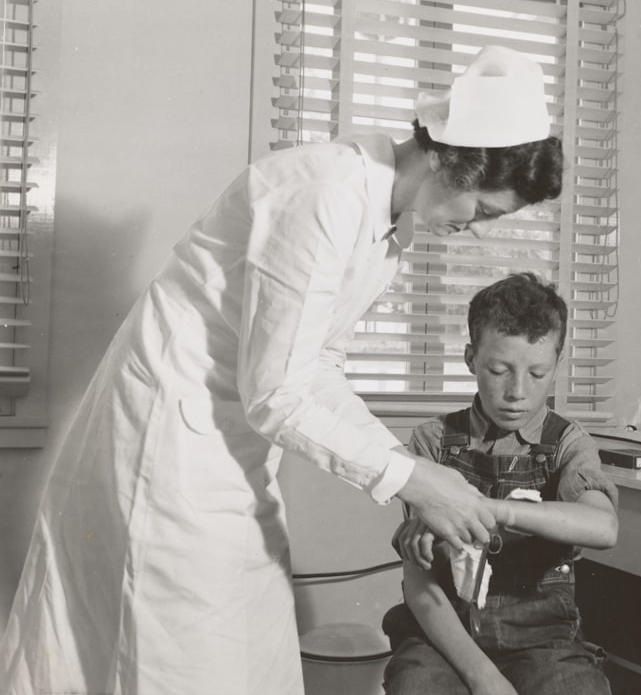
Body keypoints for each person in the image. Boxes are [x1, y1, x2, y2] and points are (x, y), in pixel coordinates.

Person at [0, 46, 564, 695]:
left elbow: (315, 365)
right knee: (178, 656)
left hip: (233, 442)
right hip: (168, 443)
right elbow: (275, 391)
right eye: (485, 211)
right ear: (450, 159)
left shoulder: (388, 228)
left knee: (248, 647)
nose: (477, 229)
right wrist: (414, 480)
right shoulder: (322, 194)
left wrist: (415, 473)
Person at [383, 273, 618, 695]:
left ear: (558, 365)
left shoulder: (567, 444)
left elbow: (604, 528)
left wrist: (493, 510)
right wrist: (482, 676)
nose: (517, 392)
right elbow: (419, 584)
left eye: (538, 373)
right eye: (498, 370)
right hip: (444, 636)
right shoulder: (432, 442)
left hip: (544, 641)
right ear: (471, 358)